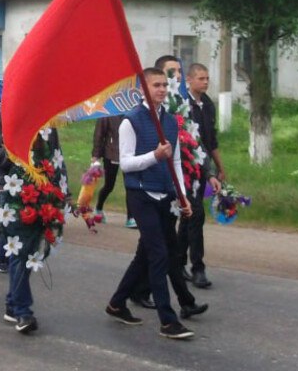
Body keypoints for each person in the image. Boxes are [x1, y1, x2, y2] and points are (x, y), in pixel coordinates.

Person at [106, 67, 201, 340]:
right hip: (140, 193)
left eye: (163, 85)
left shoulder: (170, 122)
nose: (160, 89)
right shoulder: (131, 121)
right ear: (142, 90)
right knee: (159, 254)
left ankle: (117, 302)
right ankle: (167, 320)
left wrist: (183, 196)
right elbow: (125, 163)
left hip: (165, 194)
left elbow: (175, 162)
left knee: (148, 254)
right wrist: (153, 156)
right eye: (155, 85)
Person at [0, 108, 67, 334]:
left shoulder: (47, 118)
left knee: (30, 250)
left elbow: (56, 156)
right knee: (20, 251)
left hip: (44, 192)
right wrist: (22, 146)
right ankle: (23, 311)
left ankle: (13, 304)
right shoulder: (0, 116)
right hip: (12, 190)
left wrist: (64, 189)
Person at [179, 63, 223, 288]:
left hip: (201, 166)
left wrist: (218, 167)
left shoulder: (207, 104)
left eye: (207, 78)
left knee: (193, 217)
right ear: (189, 80)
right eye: (201, 78)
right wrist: (209, 171)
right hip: (184, 168)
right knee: (192, 215)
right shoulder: (181, 104)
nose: (205, 82)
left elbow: (209, 140)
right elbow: (191, 142)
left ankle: (187, 265)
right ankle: (192, 266)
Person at [91, 115, 125, 223]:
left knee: (130, 186)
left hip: (129, 154)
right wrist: (96, 155)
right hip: (111, 153)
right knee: (109, 185)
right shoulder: (107, 112)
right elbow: (99, 134)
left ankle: (131, 217)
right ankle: (99, 208)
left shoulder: (133, 109)